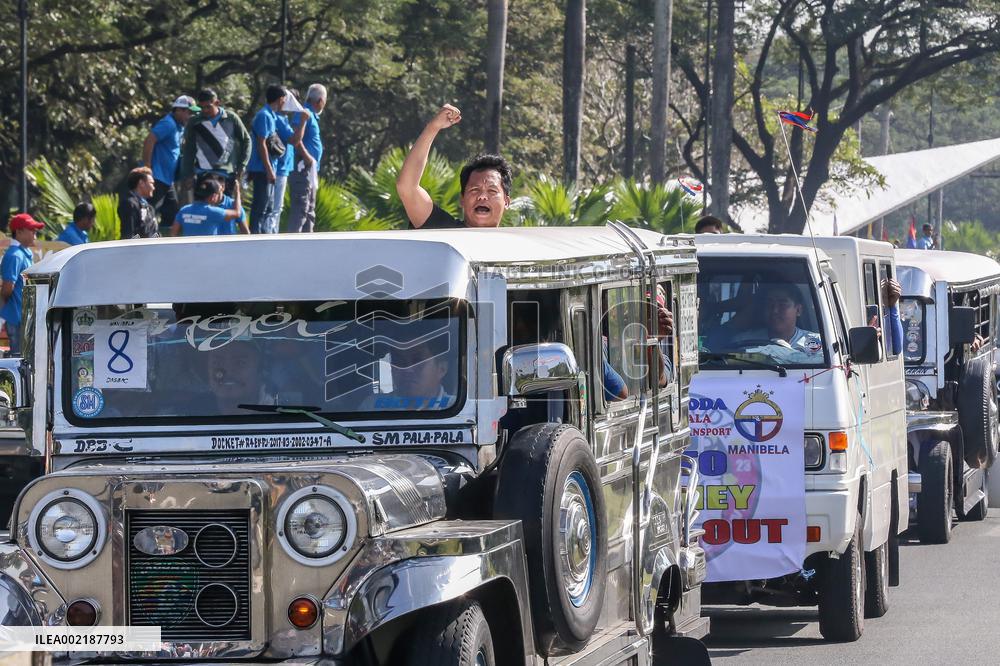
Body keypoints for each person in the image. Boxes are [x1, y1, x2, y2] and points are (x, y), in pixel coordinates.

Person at [397, 104, 512, 229]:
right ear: (462, 199)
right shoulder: (443, 229)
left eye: (492, 191)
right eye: (474, 190)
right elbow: (407, 187)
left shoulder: (518, 244)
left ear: (506, 202)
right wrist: (433, 127)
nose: (482, 196)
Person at [178, 89, 251, 196]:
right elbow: (188, 149)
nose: (205, 110)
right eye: (202, 107)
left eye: (208, 106)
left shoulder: (231, 118)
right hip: (202, 173)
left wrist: (242, 165)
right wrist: (188, 174)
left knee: (224, 210)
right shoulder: (195, 122)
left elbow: (246, 141)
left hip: (226, 174)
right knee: (203, 209)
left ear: (217, 103)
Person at [142, 95, 199, 232]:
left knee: (173, 215)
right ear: (178, 110)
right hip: (156, 178)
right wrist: (147, 167)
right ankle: (141, 241)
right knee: (149, 213)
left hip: (167, 180)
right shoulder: (168, 124)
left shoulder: (180, 127)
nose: (190, 116)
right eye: (188, 112)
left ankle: (163, 242)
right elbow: (150, 140)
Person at [731, 284, 821, 355]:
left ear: (798, 310)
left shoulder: (817, 343)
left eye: (782, 304)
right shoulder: (743, 342)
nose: (775, 310)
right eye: (770, 304)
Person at [247, 85, 289, 233]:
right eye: (284, 99)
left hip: (270, 167)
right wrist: (269, 170)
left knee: (269, 207)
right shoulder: (264, 115)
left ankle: (265, 236)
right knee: (260, 206)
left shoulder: (271, 115)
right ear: (280, 99)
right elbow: (261, 144)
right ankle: (254, 239)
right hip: (262, 169)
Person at [287, 83, 327, 233]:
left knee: (309, 212)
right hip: (301, 168)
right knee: (300, 210)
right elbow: (296, 138)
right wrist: (307, 156)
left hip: (310, 171)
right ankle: (292, 246)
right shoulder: (303, 113)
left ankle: (308, 247)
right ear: (320, 101)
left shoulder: (311, 115)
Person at [1, 213, 44, 355]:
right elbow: (8, 288)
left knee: (26, 360)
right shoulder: (14, 255)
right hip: (17, 319)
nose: (34, 233)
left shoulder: (21, 253)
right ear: (18, 232)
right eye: (31, 229)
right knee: (20, 359)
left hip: (24, 318)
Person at [171, 177, 248, 236]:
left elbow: (173, 233)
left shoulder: (184, 210)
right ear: (213, 197)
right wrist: (237, 192)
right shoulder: (213, 212)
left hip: (188, 252)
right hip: (210, 253)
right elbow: (237, 213)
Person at [119, 167, 159, 239]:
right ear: (141, 183)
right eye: (151, 183)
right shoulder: (129, 204)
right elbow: (128, 235)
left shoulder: (149, 207)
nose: (153, 188)